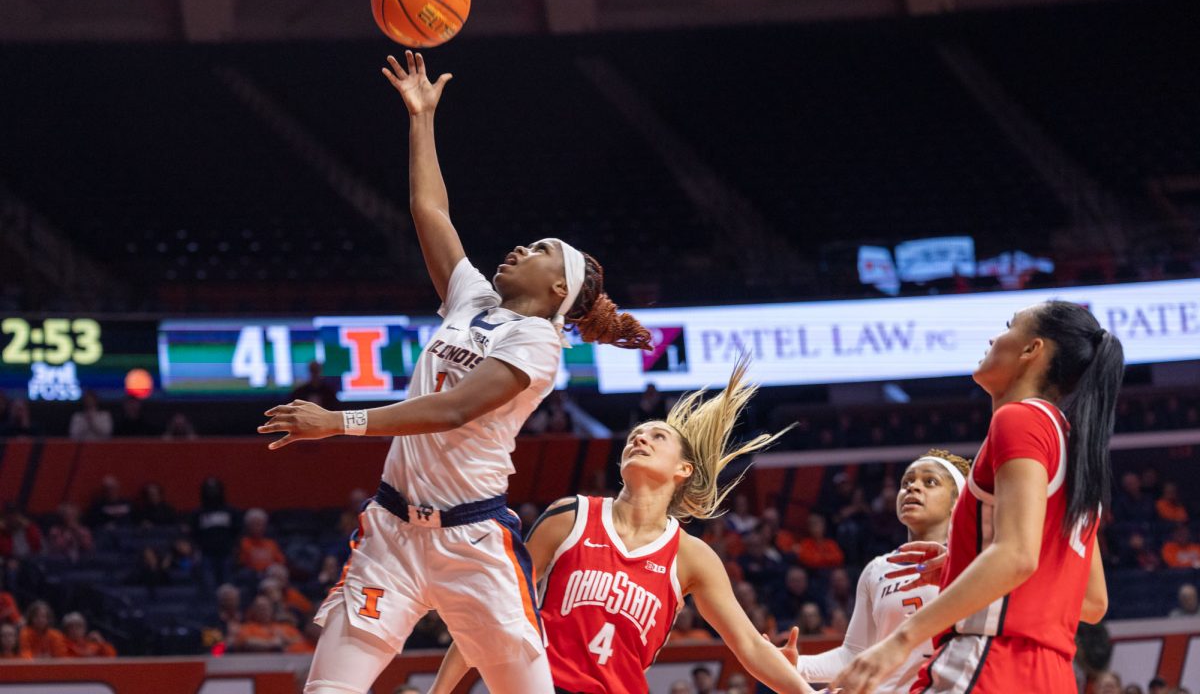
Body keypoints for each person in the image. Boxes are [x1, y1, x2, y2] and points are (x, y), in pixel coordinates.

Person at [258, 51, 651, 694]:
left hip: (473, 542)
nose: (521, 247)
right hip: (391, 532)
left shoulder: (539, 345)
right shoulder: (475, 300)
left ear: (557, 287)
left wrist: (337, 422)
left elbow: (452, 409)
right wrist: (421, 119)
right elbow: (429, 211)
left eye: (540, 250)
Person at [429, 361, 814, 694]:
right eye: (634, 436)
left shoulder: (691, 556)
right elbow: (494, 609)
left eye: (656, 436)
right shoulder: (571, 516)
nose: (640, 438)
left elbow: (748, 643)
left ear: (684, 470)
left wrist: (800, 687)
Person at [833, 301, 1119, 693]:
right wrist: (962, 564)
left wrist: (897, 642)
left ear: (1031, 350)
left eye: (1007, 325)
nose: (992, 337)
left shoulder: (1020, 419)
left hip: (989, 661)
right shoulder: (1074, 444)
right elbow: (1091, 601)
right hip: (1051, 676)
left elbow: (1017, 556)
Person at [783, 450, 971, 694]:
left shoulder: (978, 562)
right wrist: (798, 664)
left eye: (930, 482)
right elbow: (854, 654)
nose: (913, 488)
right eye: (907, 482)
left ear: (957, 501)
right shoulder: (877, 569)